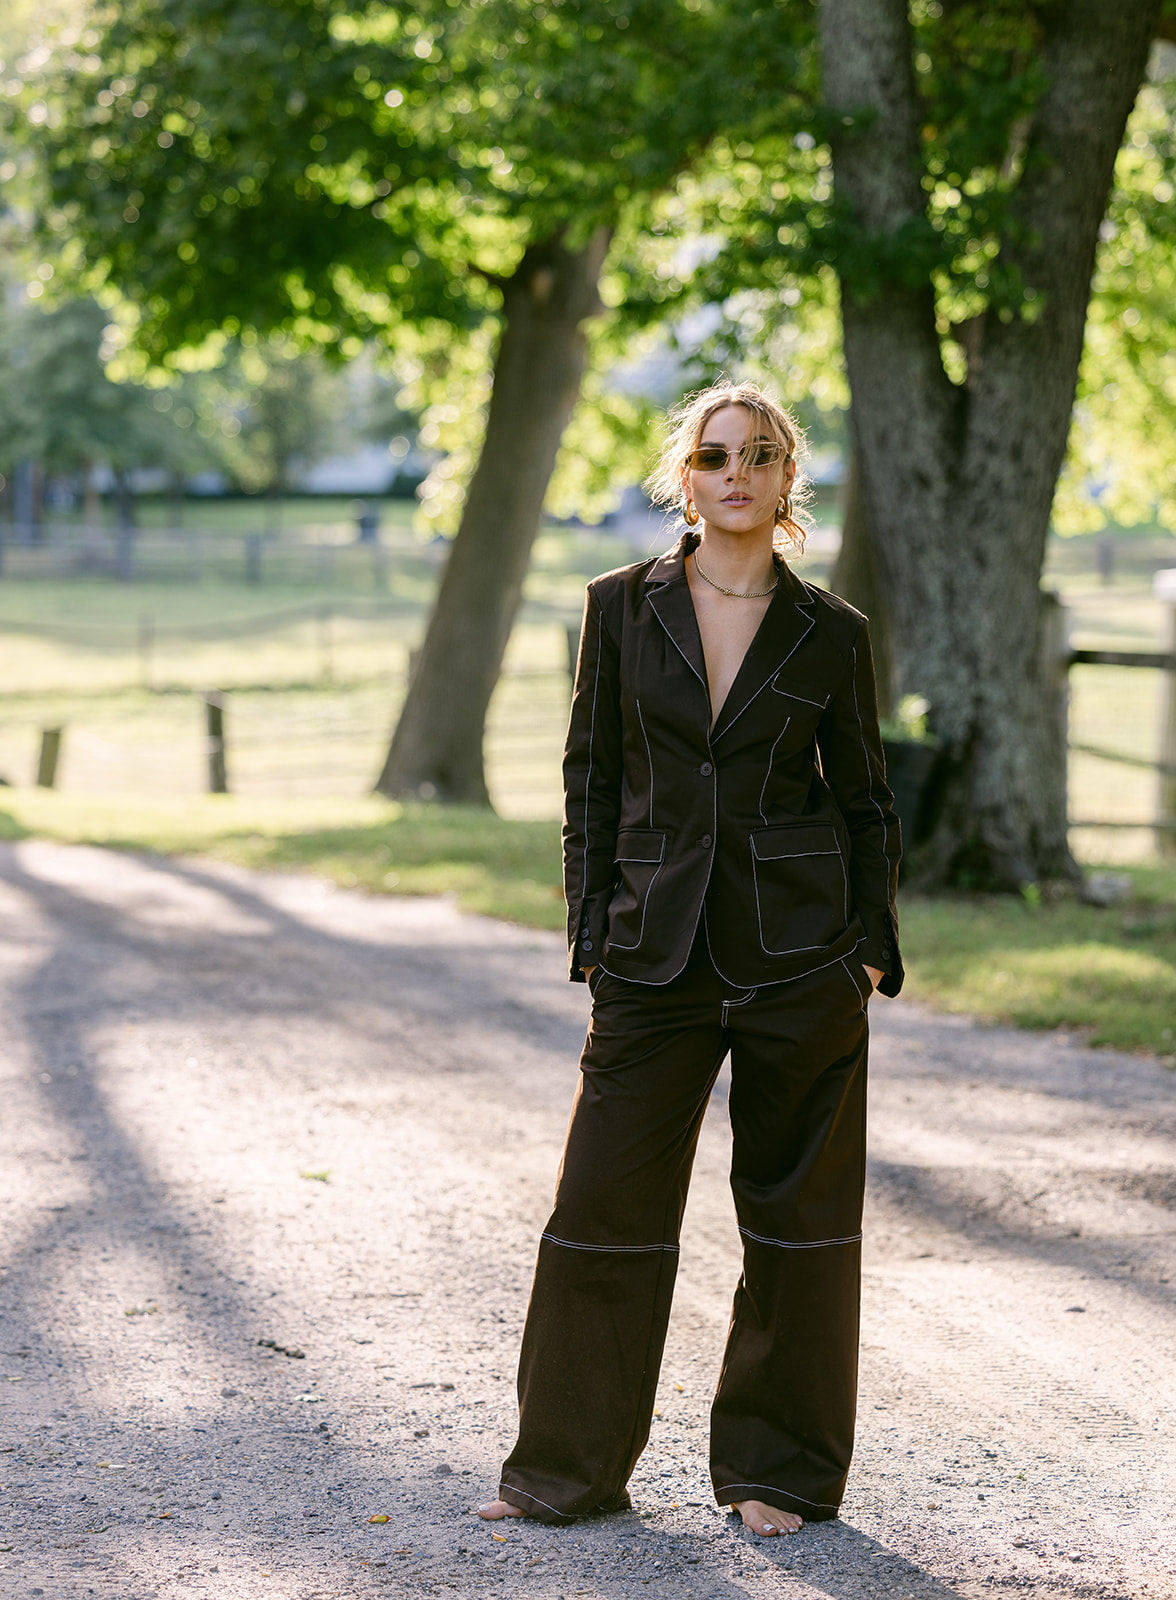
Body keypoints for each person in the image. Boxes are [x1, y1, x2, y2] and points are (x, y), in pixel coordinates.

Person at [478, 380, 902, 1539]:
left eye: (760, 455)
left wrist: (868, 954)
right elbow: (591, 779)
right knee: (600, 1212)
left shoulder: (833, 632)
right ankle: (562, 1470)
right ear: (685, 474)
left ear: (784, 480)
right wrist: (592, 937)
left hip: (798, 960)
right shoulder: (619, 608)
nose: (735, 473)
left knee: (798, 1229)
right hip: (651, 959)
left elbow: (865, 801)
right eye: (715, 455)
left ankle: (783, 1472)